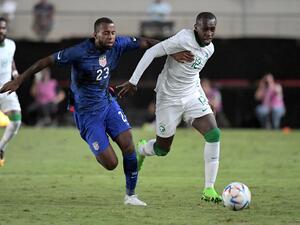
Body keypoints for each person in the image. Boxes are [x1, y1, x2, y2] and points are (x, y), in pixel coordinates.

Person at [0, 17, 193, 205]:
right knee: (111, 163)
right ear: (95, 35)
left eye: (113, 33)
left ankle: (131, 196)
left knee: (128, 144)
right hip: (86, 114)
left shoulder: (118, 43)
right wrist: (19, 79)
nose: (111, 37)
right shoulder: (79, 52)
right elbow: (46, 61)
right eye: (106, 33)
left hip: (107, 104)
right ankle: (97, 145)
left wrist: (171, 51)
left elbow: (147, 42)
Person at [118, 12, 222, 203]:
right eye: (205, 28)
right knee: (162, 149)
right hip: (168, 98)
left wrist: (204, 98)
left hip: (192, 95)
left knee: (214, 134)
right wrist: (133, 81)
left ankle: (209, 189)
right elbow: (151, 52)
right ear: (196, 27)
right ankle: (142, 150)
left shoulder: (210, 49)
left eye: (212, 29)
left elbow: (194, 73)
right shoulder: (183, 38)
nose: (208, 33)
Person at [0, 17, 22, 167]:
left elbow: (10, 59)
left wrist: (15, 74)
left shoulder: (11, 44)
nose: (1, 31)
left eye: (3, 28)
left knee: (16, 120)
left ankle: (1, 147)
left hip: (6, 88)